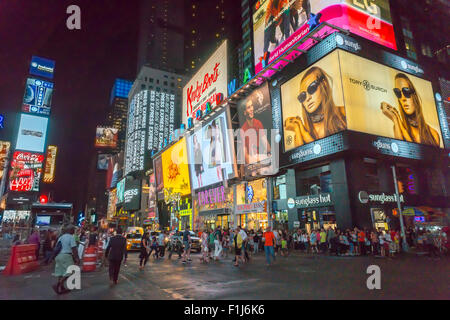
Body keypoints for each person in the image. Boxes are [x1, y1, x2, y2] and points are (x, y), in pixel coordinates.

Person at [284, 66, 346, 148]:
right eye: (302, 96)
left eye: (312, 88)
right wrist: (298, 129)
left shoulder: (343, 113)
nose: (308, 98)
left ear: (324, 83)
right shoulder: (301, 133)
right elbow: (304, 158)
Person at [380, 73, 440, 147]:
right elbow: (402, 153)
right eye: (398, 93)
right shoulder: (397, 127)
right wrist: (395, 118)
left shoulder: (433, 134)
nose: (403, 98)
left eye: (406, 91)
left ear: (414, 95)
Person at [239, 94, 271, 165]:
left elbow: (266, 144)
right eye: (248, 107)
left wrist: (269, 154)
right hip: (252, 162)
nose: (252, 109)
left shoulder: (258, 123)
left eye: (252, 106)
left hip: (261, 158)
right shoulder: (242, 130)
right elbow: (246, 156)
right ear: (244, 112)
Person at [52, 225, 80, 294]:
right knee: (71, 271)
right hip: (66, 255)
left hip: (59, 256)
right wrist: (77, 258)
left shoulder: (61, 237)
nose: (74, 231)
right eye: (73, 230)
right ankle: (58, 284)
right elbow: (74, 249)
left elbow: (57, 247)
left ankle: (61, 287)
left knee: (61, 272)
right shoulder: (71, 237)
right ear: (70, 230)